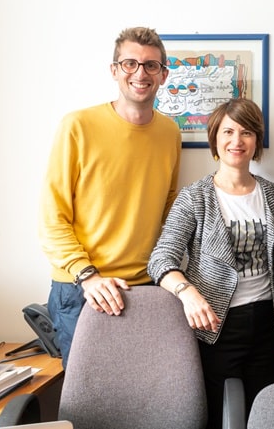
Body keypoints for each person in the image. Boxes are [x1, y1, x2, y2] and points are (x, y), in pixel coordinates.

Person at [39, 27, 181, 367]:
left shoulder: (169, 132)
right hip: (83, 286)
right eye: (130, 63)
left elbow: (169, 207)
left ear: (163, 74)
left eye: (150, 65)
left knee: (145, 389)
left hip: (145, 286)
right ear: (114, 70)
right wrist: (87, 276)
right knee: (87, 394)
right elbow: (52, 216)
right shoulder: (77, 126)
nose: (140, 73)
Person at [148, 98, 274, 429]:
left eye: (247, 132)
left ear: (257, 140)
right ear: (215, 138)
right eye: (228, 132)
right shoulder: (195, 197)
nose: (237, 141)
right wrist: (187, 293)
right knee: (216, 415)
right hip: (216, 326)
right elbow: (161, 258)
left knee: (262, 415)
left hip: (268, 324)